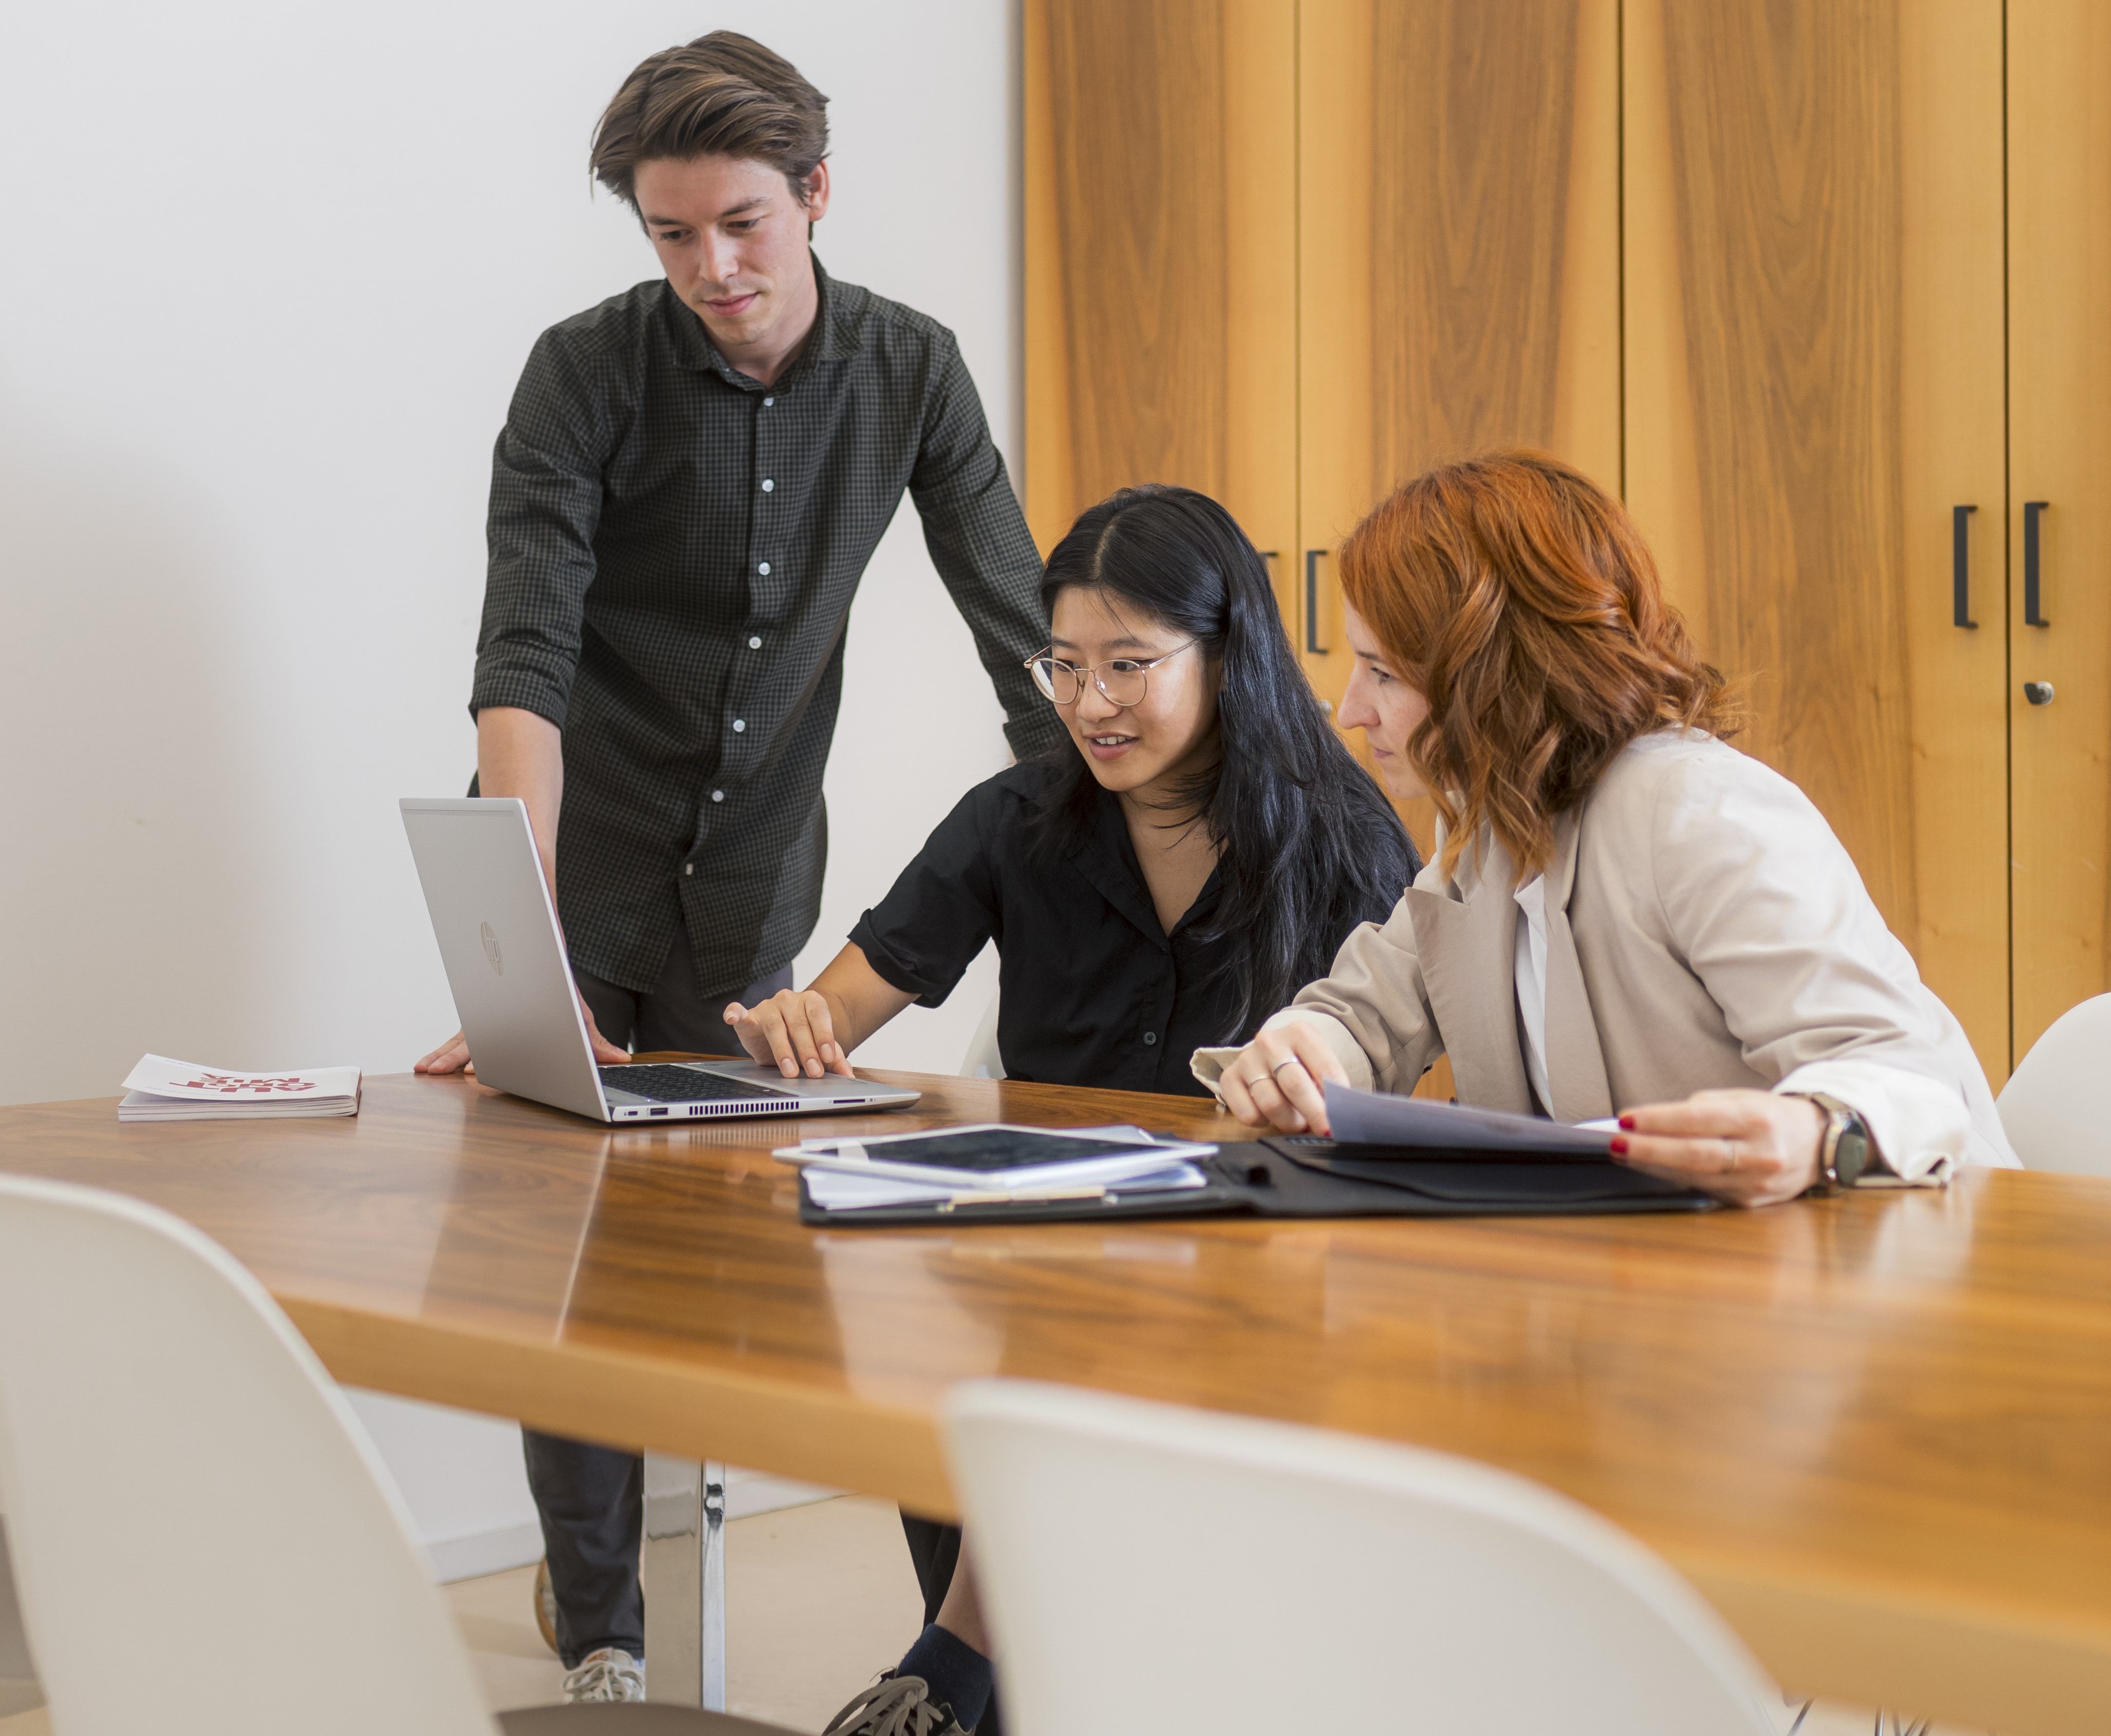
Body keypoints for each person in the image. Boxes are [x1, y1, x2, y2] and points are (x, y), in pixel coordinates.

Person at [412, 32, 1067, 1704]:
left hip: (759, 882)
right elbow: (524, 659)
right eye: (670, 235)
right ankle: (605, 1637)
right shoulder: (581, 375)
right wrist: (523, 949)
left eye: (743, 227)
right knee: (567, 1259)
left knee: (743, 1250)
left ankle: (889, 1642)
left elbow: (1025, 638)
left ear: (817, 196)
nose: (711, 269)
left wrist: (1094, 844)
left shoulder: (910, 374)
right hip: (582, 856)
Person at [730, 484, 1420, 1736]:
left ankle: (951, 1667)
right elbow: (839, 1010)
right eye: (1064, 665)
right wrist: (795, 1027)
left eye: (1127, 665)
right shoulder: (1017, 819)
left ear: (1225, 653)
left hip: (1257, 1275)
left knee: (1039, 1368)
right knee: (953, 1341)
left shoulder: (1341, 839)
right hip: (1041, 1254)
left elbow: (1392, 1077)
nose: (1089, 703)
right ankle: (972, 1676)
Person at [1201, 449, 2019, 1196]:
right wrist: (1302, 1048)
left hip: (1901, 1278)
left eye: (1380, 671)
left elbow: (1902, 1069)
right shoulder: (1487, 839)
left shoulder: (1696, 812)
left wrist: (1815, 1130)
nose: (1348, 710)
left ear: (1492, 671)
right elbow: (1364, 1015)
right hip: (1673, 1291)